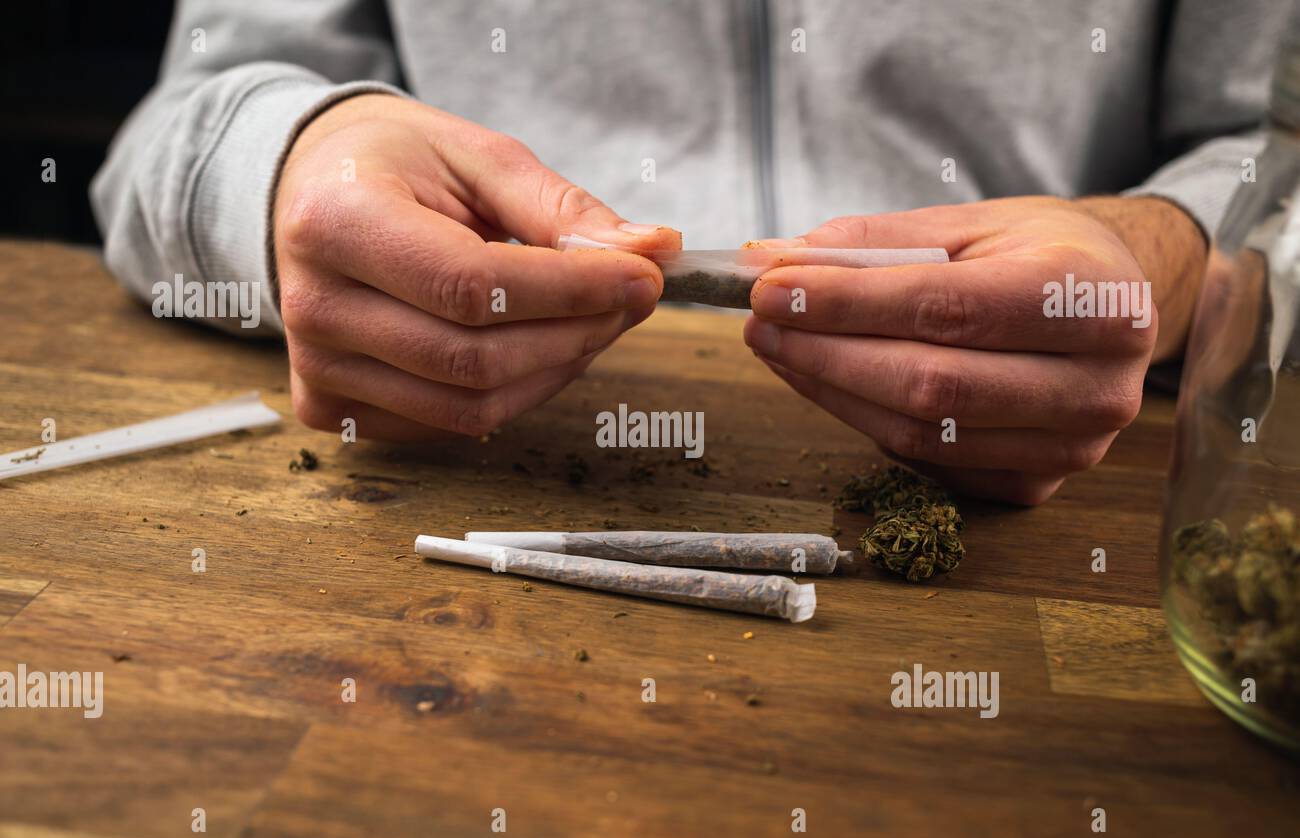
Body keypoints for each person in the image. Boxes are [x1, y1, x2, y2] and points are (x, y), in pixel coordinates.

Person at [92, 0, 1291, 503]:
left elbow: (1268, 140)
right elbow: (182, 121)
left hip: (1107, 481)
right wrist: (301, 157)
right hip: (484, 480)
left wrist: (1161, 253)